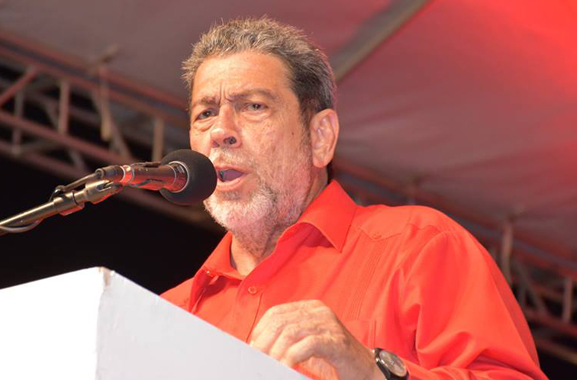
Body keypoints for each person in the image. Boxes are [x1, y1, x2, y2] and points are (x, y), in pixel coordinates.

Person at [162, 18, 547, 380]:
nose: (221, 131)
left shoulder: (420, 248)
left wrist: (371, 369)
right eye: (205, 113)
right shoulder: (169, 314)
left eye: (254, 106)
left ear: (320, 137)